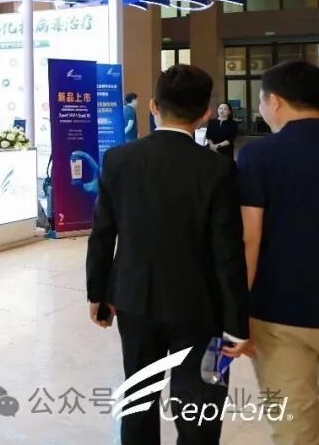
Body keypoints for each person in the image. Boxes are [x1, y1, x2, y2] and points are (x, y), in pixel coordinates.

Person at [86, 65, 250, 445]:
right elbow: (228, 251)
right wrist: (237, 323)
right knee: (200, 404)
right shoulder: (218, 169)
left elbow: (103, 233)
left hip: (134, 298)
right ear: (205, 113)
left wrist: (98, 293)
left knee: (139, 395)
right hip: (202, 307)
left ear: (153, 106)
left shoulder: (118, 160)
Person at [238, 60, 319, 444]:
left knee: (294, 429)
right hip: (283, 312)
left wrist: (237, 311)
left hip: (280, 313)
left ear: (275, 101)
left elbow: (249, 238)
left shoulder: (258, 156)